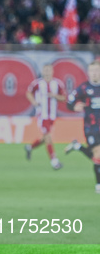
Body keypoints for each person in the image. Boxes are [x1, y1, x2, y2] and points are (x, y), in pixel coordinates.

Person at [64, 60, 100, 193]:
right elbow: (69, 101)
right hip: (91, 127)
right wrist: (74, 106)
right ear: (88, 73)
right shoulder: (84, 88)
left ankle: (77, 146)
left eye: (96, 70)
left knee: (96, 156)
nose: (94, 73)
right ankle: (98, 185)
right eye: (92, 71)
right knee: (98, 152)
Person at [24, 64, 66, 170]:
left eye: (49, 70)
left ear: (52, 71)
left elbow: (63, 98)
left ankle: (29, 147)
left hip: (52, 116)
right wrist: (34, 102)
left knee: (45, 138)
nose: (47, 72)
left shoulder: (57, 84)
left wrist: (54, 96)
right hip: (42, 115)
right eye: (45, 70)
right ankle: (54, 162)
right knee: (48, 137)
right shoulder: (37, 83)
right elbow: (28, 93)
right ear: (43, 72)